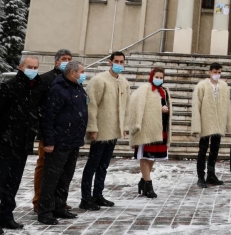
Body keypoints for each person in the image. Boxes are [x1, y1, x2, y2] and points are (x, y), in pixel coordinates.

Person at [0, 56, 48, 235]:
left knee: (14, 181)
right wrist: (2, 135)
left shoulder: (37, 87)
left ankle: (6, 214)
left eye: (36, 67)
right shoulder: (8, 87)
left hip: (23, 143)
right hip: (6, 143)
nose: (33, 69)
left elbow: (36, 113)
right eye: (29, 66)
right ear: (20, 67)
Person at [38, 61, 88, 225]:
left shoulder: (77, 87)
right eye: (81, 71)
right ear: (72, 73)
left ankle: (60, 206)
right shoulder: (58, 89)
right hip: (59, 141)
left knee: (66, 176)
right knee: (51, 177)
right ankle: (45, 210)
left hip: (73, 140)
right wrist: (49, 141)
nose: (83, 74)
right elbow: (49, 116)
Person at [81, 51, 130, 210]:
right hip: (100, 129)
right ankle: (85, 198)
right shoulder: (99, 80)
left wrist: (125, 126)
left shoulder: (124, 82)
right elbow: (91, 105)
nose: (119, 64)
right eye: (116, 61)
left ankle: (98, 194)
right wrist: (92, 127)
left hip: (113, 130)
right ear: (110, 62)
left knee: (104, 165)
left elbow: (126, 107)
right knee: (93, 164)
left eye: (122, 62)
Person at [32, 48, 73, 212]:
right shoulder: (45, 79)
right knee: (43, 165)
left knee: (61, 168)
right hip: (48, 131)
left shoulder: (72, 80)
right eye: (64, 59)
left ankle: (57, 199)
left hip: (65, 133)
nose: (67, 61)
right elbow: (39, 106)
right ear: (56, 61)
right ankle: (38, 200)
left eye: (70, 59)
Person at [191, 62, 231, 188]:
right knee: (203, 150)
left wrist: (229, 122)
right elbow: (196, 106)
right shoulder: (202, 86)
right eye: (215, 72)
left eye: (219, 72)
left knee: (214, 150)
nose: (217, 75)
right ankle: (201, 176)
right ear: (210, 72)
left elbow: (227, 105)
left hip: (218, 122)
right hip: (206, 122)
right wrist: (197, 124)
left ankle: (211, 174)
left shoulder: (223, 86)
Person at [128, 67, 172, 198]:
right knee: (146, 156)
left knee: (154, 156)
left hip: (160, 127)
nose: (159, 79)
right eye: (157, 76)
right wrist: (159, 108)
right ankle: (148, 184)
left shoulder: (164, 91)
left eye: (161, 77)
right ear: (152, 76)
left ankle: (143, 181)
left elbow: (167, 105)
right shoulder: (144, 89)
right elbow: (136, 104)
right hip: (147, 128)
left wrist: (167, 110)